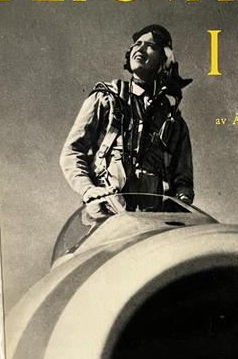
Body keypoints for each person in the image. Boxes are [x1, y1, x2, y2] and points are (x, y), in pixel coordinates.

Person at [60, 24, 194, 218]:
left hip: (153, 222)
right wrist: (88, 189)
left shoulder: (174, 122)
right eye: (137, 44)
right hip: (106, 217)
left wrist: (181, 202)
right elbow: (72, 152)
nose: (140, 48)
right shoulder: (106, 98)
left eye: (151, 46)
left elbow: (183, 181)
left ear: (165, 60)